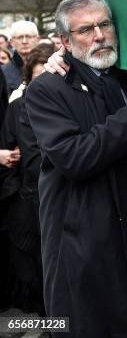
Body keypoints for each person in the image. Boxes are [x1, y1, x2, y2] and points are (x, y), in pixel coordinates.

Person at [25, 0, 127, 337]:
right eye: (86, 30)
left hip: (125, 236)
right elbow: (73, 157)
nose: (99, 36)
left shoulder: (121, 81)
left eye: (104, 24)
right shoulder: (46, 90)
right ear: (65, 42)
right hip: (78, 243)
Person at [0, 42, 53, 315]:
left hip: (57, 196)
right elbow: (9, 147)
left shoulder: (65, 106)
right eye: (37, 80)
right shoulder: (17, 106)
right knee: (29, 262)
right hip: (28, 196)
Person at [5, 21, 39, 94]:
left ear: (37, 39)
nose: (24, 41)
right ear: (11, 42)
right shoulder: (3, 72)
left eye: (29, 36)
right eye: (20, 37)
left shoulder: (49, 67)